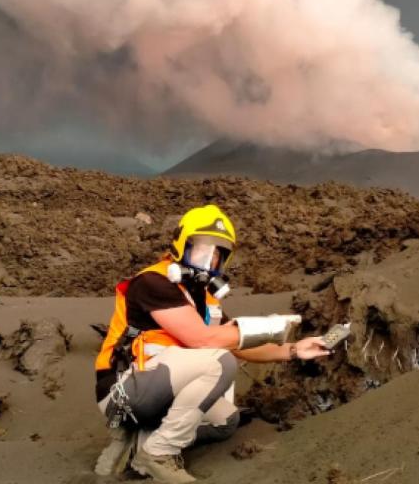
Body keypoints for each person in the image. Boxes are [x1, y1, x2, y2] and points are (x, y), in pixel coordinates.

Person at [93, 204, 331, 483]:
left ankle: (141, 439)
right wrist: (270, 326)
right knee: (219, 361)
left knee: (225, 421)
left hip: (157, 388)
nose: (209, 260)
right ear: (183, 245)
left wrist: (292, 349)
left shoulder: (205, 299)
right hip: (123, 391)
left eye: (218, 254)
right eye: (202, 249)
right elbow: (203, 339)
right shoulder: (153, 283)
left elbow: (239, 343)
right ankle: (158, 453)